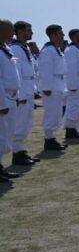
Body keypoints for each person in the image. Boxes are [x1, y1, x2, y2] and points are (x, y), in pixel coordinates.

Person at [9, 21, 39, 166]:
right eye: (28, 30)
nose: (31, 33)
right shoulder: (15, 48)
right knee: (19, 124)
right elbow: (17, 73)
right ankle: (17, 153)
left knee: (26, 123)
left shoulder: (24, 47)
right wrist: (19, 95)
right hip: (22, 91)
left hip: (28, 89)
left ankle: (21, 150)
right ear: (20, 32)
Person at [37, 24, 68, 152]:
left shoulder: (55, 49)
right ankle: (48, 139)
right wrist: (47, 87)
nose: (63, 36)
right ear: (53, 35)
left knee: (56, 114)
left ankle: (51, 138)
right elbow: (46, 70)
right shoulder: (48, 51)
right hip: (52, 86)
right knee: (51, 114)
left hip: (58, 84)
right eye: (60, 33)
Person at [0, 19, 23, 181]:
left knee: (6, 134)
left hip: (10, 96)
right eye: (10, 31)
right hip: (3, 98)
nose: (12, 34)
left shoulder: (5, 49)